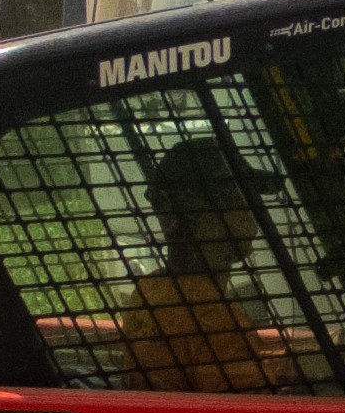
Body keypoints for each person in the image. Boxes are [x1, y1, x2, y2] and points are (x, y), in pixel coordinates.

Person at [117, 135, 288, 391]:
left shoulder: (149, 290)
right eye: (244, 198)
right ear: (200, 209)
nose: (253, 211)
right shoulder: (213, 320)